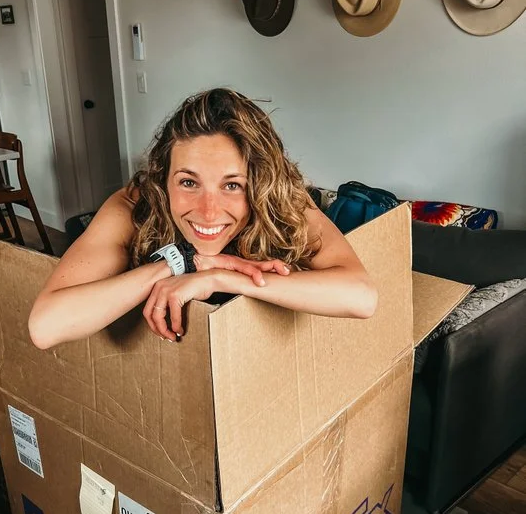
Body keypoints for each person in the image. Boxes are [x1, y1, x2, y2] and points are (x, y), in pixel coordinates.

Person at [29, 88, 377, 349]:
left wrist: (224, 278)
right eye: (188, 182)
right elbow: (46, 326)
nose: (209, 211)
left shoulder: (283, 200)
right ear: (163, 179)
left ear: (260, 184)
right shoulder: (133, 206)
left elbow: (361, 296)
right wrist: (181, 262)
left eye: (232, 185)